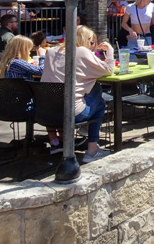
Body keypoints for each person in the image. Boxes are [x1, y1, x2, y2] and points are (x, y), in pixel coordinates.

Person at [42, 25, 113, 162]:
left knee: (91, 91)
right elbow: (108, 70)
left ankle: (68, 138)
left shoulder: (51, 51)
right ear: (85, 40)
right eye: (92, 42)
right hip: (72, 114)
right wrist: (109, 50)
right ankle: (92, 149)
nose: (93, 46)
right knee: (98, 97)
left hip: (46, 113)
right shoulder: (81, 51)